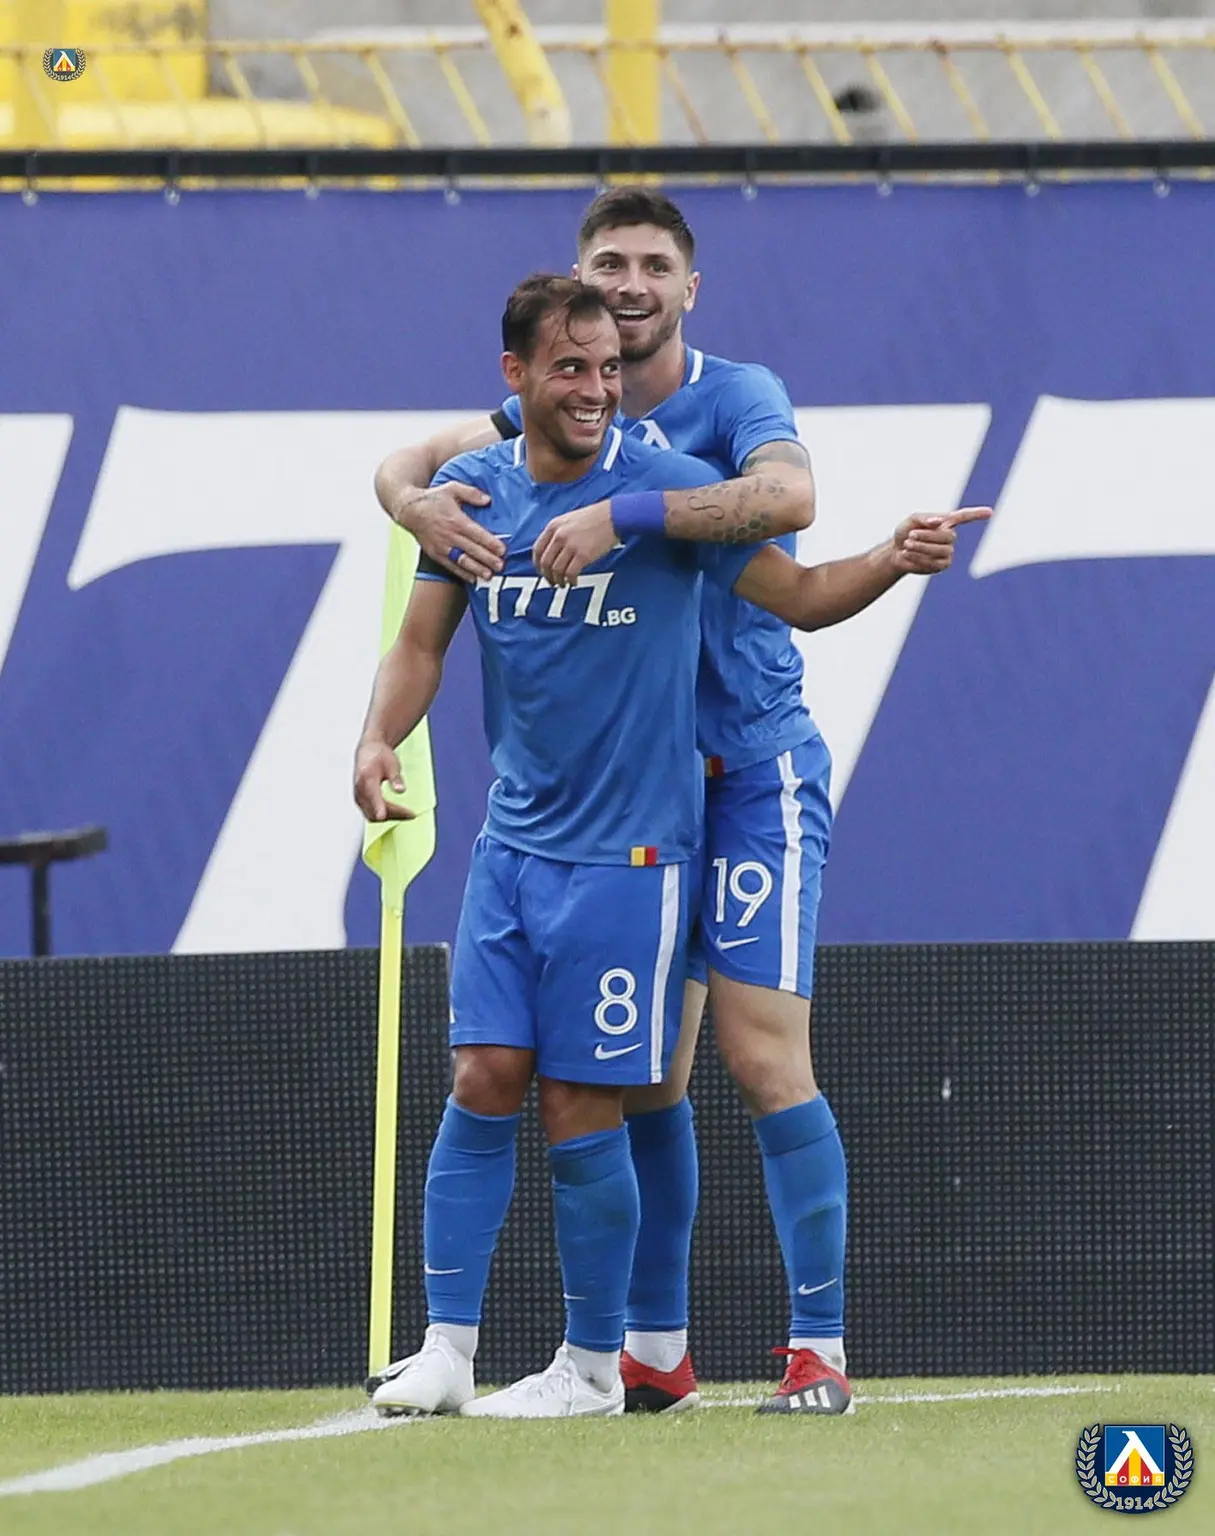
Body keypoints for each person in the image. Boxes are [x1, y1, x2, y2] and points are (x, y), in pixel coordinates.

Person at [370, 196, 989, 1416]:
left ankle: (818, 1350)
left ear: (688, 289)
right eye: (611, 262)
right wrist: (415, 507)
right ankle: (650, 1350)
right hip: (625, 799)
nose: (632, 282)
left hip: (744, 772)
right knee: (643, 1078)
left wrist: (624, 515)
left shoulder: (727, 403)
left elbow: (790, 514)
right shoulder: (537, 412)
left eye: (656, 264)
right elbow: (404, 468)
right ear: (576, 293)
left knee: (761, 1057)